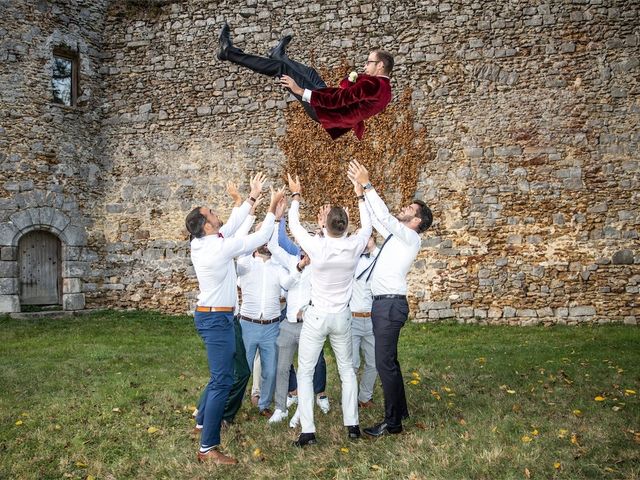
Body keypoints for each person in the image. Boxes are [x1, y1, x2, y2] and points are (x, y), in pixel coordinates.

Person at [186, 173, 284, 464]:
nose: (217, 214)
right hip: (216, 321)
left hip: (215, 318)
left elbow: (231, 225)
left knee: (221, 377)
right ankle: (207, 448)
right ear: (206, 225)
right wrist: (271, 210)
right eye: (211, 214)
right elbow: (258, 237)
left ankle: (202, 421)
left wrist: (252, 197)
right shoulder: (217, 247)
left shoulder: (202, 242)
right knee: (222, 381)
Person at [347, 159, 433, 437]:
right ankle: (401, 410)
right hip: (384, 304)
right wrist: (361, 195)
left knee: (384, 363)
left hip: (389, 304)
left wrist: (369, 184)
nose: (405, 208)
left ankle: (392, 423)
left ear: (416, 220)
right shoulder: (397, 237)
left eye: (410, 208)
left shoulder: (411, 238)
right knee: (390, 361)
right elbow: (375, 220)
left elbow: (384, 218)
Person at [286, 172, 372, 447]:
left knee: (306, 372)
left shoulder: (316, 246)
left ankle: (308, 430)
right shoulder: (355, 245)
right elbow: (368, 225)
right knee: (347, 369)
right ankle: (352, 425)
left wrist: (296, 195)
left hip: (317, 316)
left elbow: (294, 223)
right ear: (346, 225)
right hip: (342, 316)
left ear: (325, 226)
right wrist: (359, 194)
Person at [217, 22, 393, 140]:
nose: (365, 66)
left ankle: (228, 52)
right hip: (332, 109)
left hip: (325, 109)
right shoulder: (384, 89)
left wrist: (300, 91)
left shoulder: (374, 85)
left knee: (280, 69)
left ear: (380, 65)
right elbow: (345, 91)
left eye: (369, 62)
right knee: (310, 73)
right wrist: (352, 81)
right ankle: (278, 55)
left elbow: (338, 99)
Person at [350, 233, 379, 409]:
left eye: (368, 237)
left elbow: (383, 257)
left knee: (374, 362)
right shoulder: (350, 261)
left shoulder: (378, 260)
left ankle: (364, 397)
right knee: (352, 363)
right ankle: (350, 399)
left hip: (372, 319)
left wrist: (372, 247)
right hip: (352, 319)